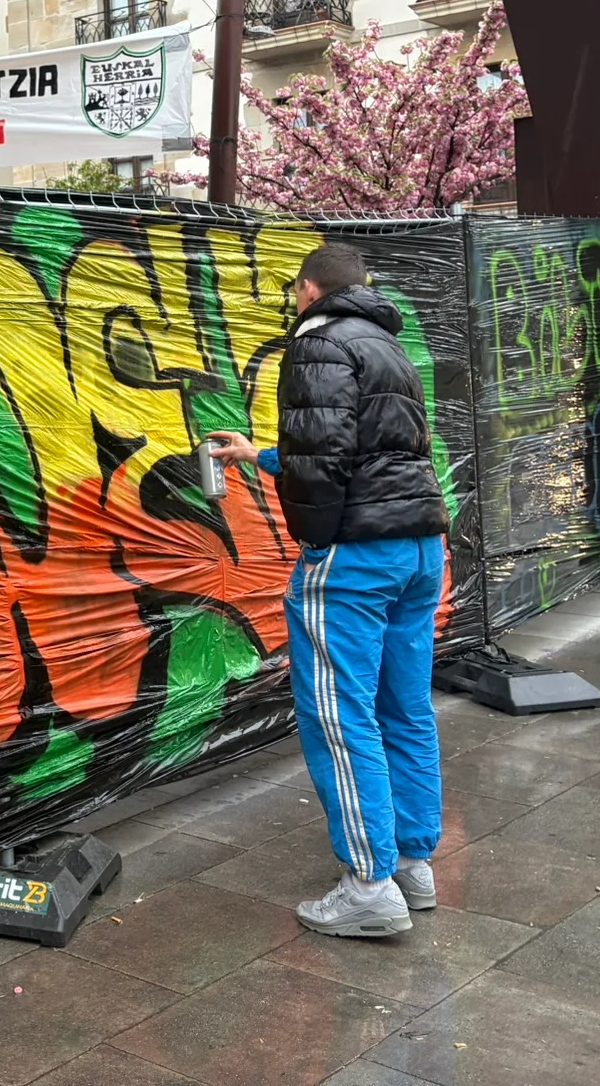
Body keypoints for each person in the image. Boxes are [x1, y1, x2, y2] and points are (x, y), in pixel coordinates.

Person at [208, 241, 448, 940]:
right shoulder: (387, 345)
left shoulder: (316, 341)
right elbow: (372, 449)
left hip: (356, 556)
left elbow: (325, 462)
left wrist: (318, 545)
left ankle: (369, 886)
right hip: (418, 546)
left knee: (341, 718)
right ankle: (412, 864)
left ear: (309, 290)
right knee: (404, 707)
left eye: (294, 291)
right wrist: (258, 454)